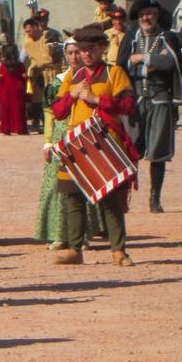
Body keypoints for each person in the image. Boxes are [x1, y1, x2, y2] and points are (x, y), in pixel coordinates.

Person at [52, 25, 137, 266]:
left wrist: (97, 99)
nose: (86, 54)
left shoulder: (115, 73)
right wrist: (73, 95)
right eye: (82, 50)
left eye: (91, 49)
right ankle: (75, 249)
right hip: (77, 143)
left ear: (102, 48)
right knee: (73, 197)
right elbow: (58, 111)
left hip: (106, 143)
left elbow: (129, 105)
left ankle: (118, 250)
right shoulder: (72, 76)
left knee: (111, 199)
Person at [119, 0, 182, 213]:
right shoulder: (130, 38)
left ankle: (154, 198)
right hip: (136, 99)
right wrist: (137, 60)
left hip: (160, 99)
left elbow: (170, 63)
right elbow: (122, 64)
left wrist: (144, 59)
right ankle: (124, 196)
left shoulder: (168, 37)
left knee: (158, 151)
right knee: (131, 148)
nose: (146, 18)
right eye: (142, 15)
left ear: (157, 16)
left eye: (150, 14)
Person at [35, 40, 104, 249]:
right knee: (58, 187)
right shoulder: (58, 81)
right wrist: (47, 142)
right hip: (60, 137)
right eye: (70, 53)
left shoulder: (91, 78)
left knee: (82, 184)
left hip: (83, 135)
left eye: (77, 53)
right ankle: (59, 234)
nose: (74, 57)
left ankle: (81, 235)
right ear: (65, 55)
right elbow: (49, 113)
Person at [0, 43, 29, 136]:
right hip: (18, 89)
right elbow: (24, 77)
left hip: (5, 90)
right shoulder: (20, 65)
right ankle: (20, 129)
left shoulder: (3, 65)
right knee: (19, 110)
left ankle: (6, 129)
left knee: (6, 110)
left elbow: (0, 79)